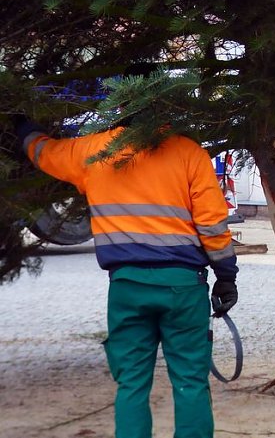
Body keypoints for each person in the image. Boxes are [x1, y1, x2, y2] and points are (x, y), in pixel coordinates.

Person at [13, 114, 238, 438]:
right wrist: (226, 275)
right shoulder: (188, 152)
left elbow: (46, 153)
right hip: (183, 289)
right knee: (191, 381)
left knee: (131, 383)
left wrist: (24, 129)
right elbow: (212, 223)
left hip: (127, 288)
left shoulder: (93, 151)